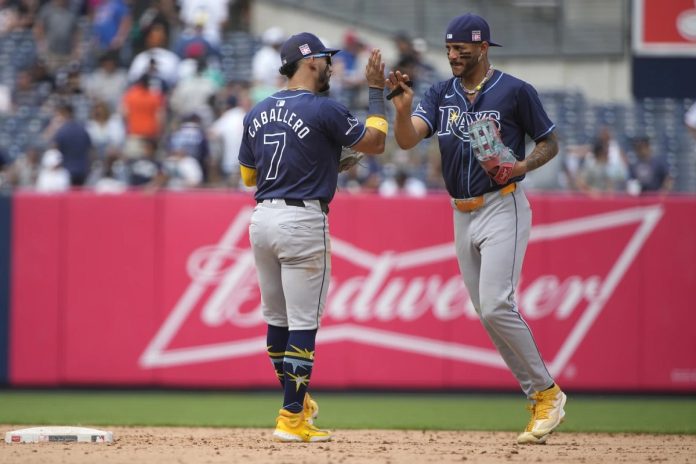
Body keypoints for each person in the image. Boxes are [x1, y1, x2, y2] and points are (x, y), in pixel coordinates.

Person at [387, 13, 566, 445]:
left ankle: (547, 394)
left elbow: (550, 142)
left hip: (502, 205)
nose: (453, 56)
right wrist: (403, 109)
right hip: (460, 211)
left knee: (496, 304)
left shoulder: (515, 90)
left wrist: (521, 166)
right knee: (488, 312)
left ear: (483, 48)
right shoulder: (440, 92)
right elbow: (409, 139)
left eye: (461, 50)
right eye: (449, 49)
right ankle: (540, 394)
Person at [238, 32, 387, 443]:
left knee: (277, 322)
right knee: (303, 326)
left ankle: (297, 402)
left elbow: (249, 176)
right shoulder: (324, 109)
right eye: (325, 59)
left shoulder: (257, 110)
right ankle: (291, 418)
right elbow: (375, 143)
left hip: (262, 220)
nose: (331, 65)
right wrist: (376, 93)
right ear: (308, 63)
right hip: (302, 221)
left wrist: (314, 160)